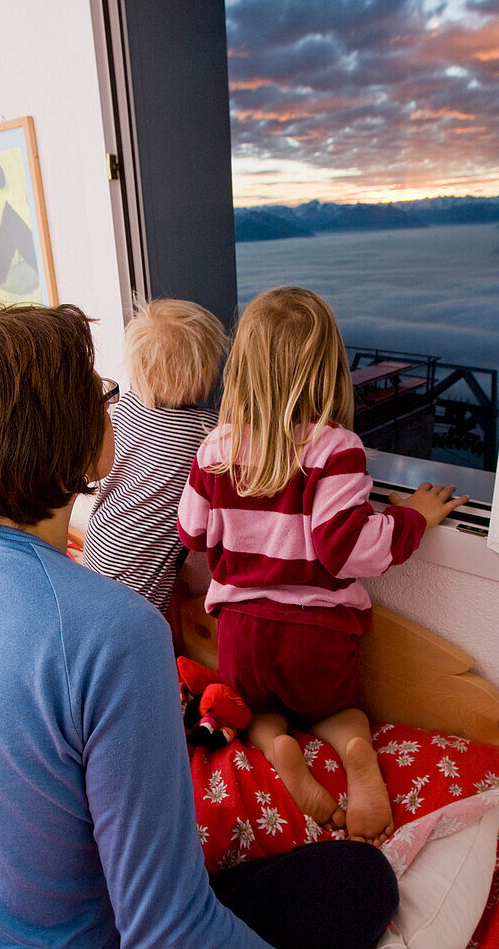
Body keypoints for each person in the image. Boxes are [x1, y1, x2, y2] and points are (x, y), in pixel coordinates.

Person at [0, 301, 398, 949]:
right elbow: (163, 933)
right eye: (101, 391)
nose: (113, 403)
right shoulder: (117, 632)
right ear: (82, 446)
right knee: (359, 883)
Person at [177, 286, 470, 845]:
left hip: (242, 638)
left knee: (259, 716)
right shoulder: (335, 449)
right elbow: (351, 550)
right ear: (326, 370)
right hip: (316, 640)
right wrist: (413, 517)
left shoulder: (215, 449)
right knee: (341, 714)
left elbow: (190, 533)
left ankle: (278, 749)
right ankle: (357, 752)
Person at [83, 297, 225, 613]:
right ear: (202, 371)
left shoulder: (124, 409)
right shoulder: (206, 433)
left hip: (96, 552)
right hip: (139, 589)